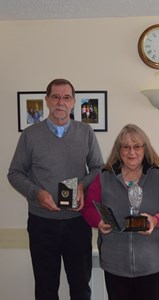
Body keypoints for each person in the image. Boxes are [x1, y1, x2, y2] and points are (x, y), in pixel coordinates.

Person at [7, 78, 104, 300]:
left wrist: (82, 186)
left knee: (80, 287)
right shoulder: (30, 135)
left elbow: (99, 168)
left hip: (77, 223)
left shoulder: (85, 132)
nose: (61, 102)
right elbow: (14, 174)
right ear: (47, 101)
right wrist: (36, 193)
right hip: (42, 224)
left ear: (73, 103)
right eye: (56, 96)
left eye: (66, 97)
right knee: (45, 288)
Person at [81, 124, 159, 300]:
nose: (131, 152)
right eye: (126, 147)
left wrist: (155, 220)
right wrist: (98, 221)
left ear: (145, 149)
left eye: (137, 146)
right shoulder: (104, 177)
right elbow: (88, 207)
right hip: (115, 264)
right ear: (119, 150)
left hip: (151, 264)